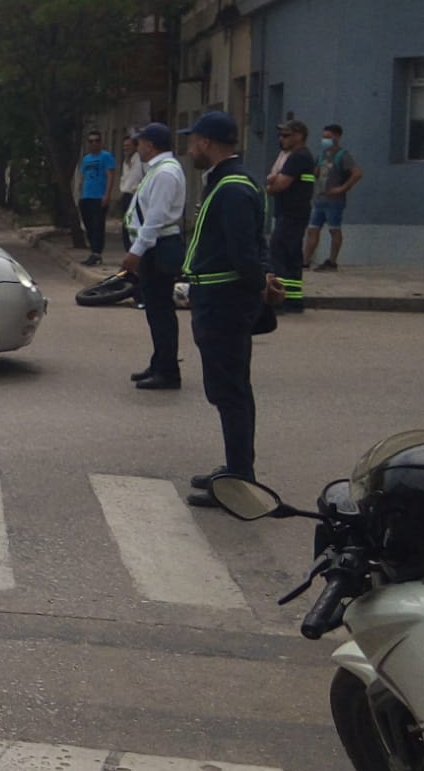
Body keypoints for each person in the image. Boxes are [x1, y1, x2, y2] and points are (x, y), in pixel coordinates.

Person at [177, 112, 282, 508]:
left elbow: (244, 251)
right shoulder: (230, 182)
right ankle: (236, 468)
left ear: (206, 142)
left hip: (223, 304)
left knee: (231, 393)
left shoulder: (233, 188)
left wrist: (260, 285)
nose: (190, 147)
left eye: (193, 140)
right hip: (220, 300)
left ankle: (240, 478)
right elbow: (257, 244)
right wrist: (265, 276)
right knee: (229, 390)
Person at [120, 123, 187, 390]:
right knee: (155, 309)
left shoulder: (166, 173)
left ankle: (168, 371)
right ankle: (159, 362)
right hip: (153, 246)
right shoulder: (157, 170)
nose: (137, 147)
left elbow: (156, 218)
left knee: (161, 311)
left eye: (140, 142)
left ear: (151, 144)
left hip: (159, 246)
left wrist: (136, 252)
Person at [264, 120, 316, 314]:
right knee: (293, 256)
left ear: (299, 136)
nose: (281, 139)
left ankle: (279, 299)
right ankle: (294, 299)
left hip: (291, 213)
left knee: (279, 253)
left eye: (286, 135)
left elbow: (279, 184)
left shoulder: (297, 157)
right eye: (281, 135)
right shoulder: (300, 156)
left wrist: (271, 186)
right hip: (296, 213)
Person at [304, 123, 363, 271]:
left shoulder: (342, 155)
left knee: (334, 229)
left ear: (337, 137)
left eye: (328, 137)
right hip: (319, 198)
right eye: (323, 137)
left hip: (334, 201)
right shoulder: (322, 155)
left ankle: (332, 260)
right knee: (312, 229)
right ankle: (305, 260)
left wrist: (342, 188)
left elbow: (357, 173)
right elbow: (315, 173)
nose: (325, 140)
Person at [76, 131, 116, 266]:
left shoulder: (106, 156)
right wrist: (80, 193)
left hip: (99, 196)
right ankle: (93, 250)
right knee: (88, 225)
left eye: (96, 140)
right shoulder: (86, 159)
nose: (94, 143)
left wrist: (107, 194)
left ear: (101, 142)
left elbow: (110, 175)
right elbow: (82, 177)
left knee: (98, 225)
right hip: (86, 196)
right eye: (91, 141)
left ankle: (97, 253)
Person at [116, 130, 146, 256]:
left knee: (133, 225)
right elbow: (124, 178)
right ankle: (128, 251)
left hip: (134, 195)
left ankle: (134, 252)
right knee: (125, 226)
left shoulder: (139, 160)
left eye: (128, 146)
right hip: (126, 195)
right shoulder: (126, 161)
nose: (126, 149)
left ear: (135, 146)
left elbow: (135, 178)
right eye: (124, 146)